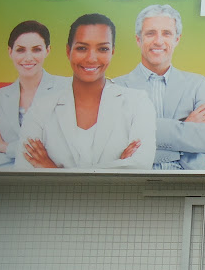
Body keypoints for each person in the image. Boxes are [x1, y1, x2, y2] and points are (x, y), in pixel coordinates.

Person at [15, 13, 155, 170]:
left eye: (102, 49)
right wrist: (116, 169)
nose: (91, 58)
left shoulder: (138, 103)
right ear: (68, 51)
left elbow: (140, 166)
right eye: (82, 48)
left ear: (112, 52)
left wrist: (51, 169)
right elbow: (23, 170)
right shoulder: (41, 108)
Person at [113, 4, 205, 170]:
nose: (158, 41)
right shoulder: (116, 88)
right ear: (138, 40)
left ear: (176, 39)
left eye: (166, 33)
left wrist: (141, 130)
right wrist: (185, 128)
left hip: (189, 182)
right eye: (150, 33)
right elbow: (112, 146)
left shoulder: (198, 84)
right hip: (136, 181)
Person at [0, 21, 69, 168]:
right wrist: (24, 169)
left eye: (36, 50)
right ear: (10, 52)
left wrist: (3, 147)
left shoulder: (67, 88)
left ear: (47, 50)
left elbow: (65, 149)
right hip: (7, 181)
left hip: (52, 180)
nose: (28, 58)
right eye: (21, 50)